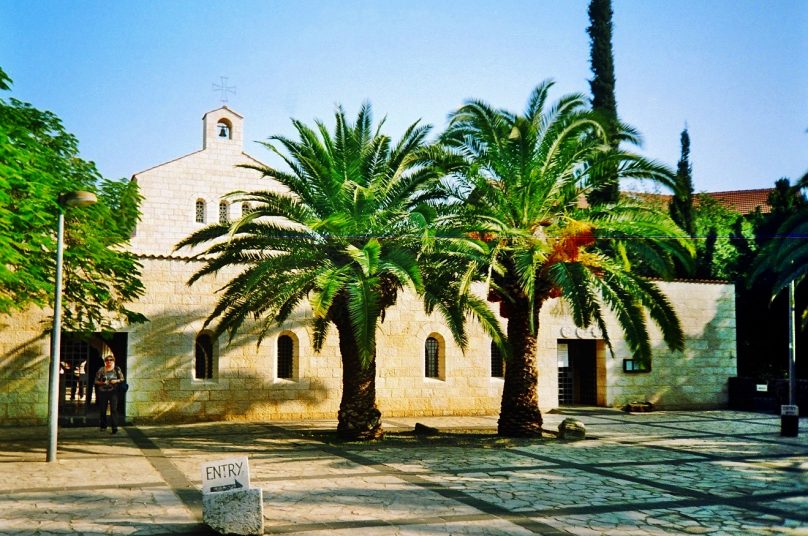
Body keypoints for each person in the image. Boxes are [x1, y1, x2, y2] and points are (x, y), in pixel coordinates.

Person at [95, 354, 125, 433]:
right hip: (103, 392)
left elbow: (122, 379)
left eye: (111, 360)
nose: (109, 361)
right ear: (105, 361)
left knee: (114, 409)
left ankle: (114, 427)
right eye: (107, 360)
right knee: (102, 410)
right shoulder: (101, 369)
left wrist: (116, 381)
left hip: (113, 392)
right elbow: (96, 381)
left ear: (113, 361)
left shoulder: (117, 369)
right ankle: (103, 426)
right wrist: (101, 382)